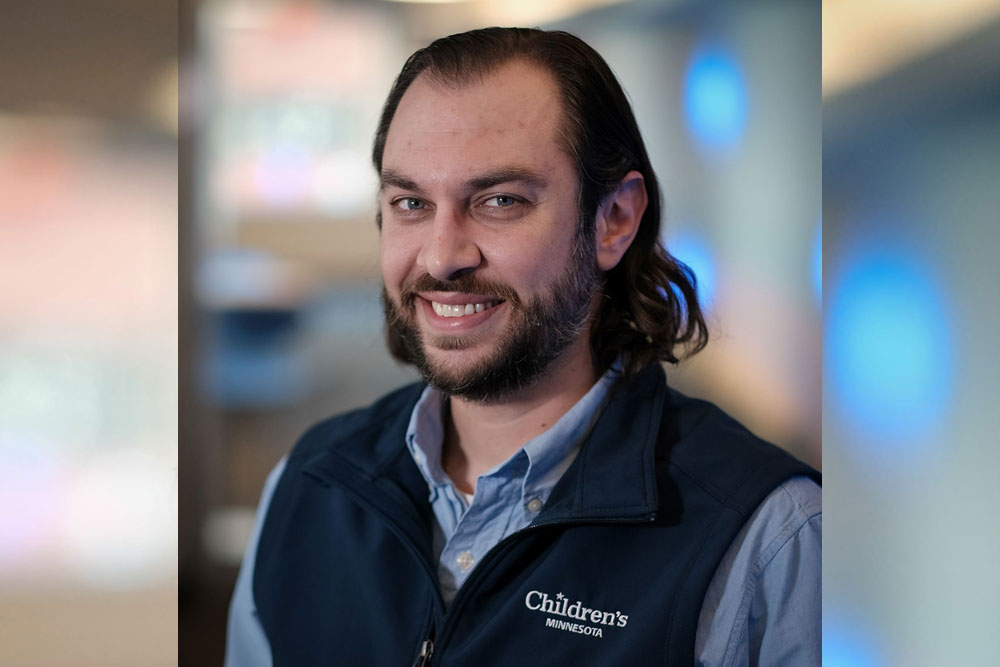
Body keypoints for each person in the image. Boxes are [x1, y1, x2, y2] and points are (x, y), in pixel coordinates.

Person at [226, 27, 820, 667]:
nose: (442, 255)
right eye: (410, 202)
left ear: (614, 220)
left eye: (500, 200)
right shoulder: (311, 484)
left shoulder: (769, 539)